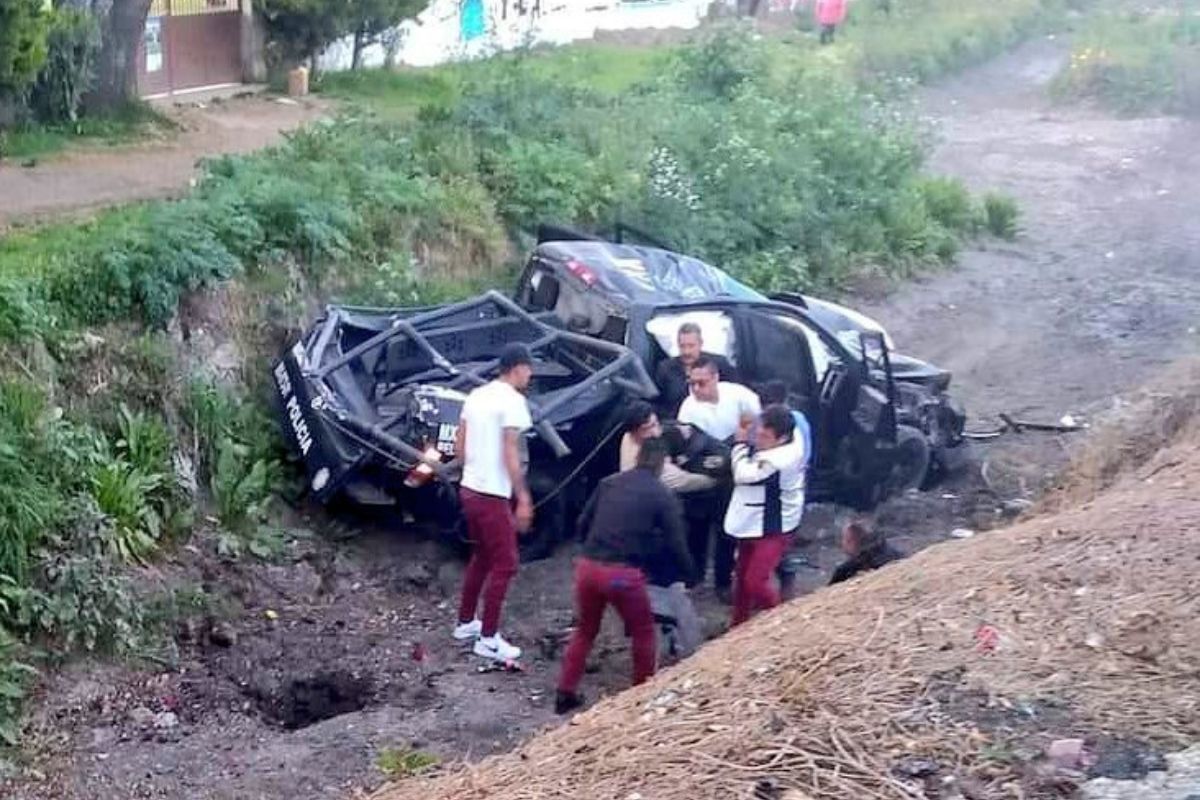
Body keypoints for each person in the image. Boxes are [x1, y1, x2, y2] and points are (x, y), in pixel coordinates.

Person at [555, 438, 694, 715]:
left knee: (585, 630)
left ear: (639, 456)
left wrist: (589, 550)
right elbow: (676, 541)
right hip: (621, 575)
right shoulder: (661, 494)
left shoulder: (609, 482)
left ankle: (564, 693)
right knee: (643, 632)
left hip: (587, 567)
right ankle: (639, 698)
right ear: (662, 462)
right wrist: (689, 573)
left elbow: (583, 523)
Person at [452, 343, 535, 662]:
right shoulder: (514, 403)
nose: (531, 374)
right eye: (529, 368)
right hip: (491, 494)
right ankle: (488, 638)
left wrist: (472, 469)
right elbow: (510, 452)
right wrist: (523, 496)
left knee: (482, 556)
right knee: (507, 563)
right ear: (517, 368)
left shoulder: (475, 396)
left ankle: (465, 622)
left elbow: (459, 448)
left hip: (469, 488)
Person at [678, 356, 761, 598]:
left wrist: (744, 437)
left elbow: (757, 419)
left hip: (731, 475)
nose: (695, 389)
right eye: (691, 383)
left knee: (727, 531)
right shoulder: (689, 407)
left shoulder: (738, 395)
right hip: (702, 474)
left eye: (701, 383)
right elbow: (689, 445)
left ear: (716, 378)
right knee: (697, 530)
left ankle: (723, 583)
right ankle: (695, 578)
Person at [724, 405, 806, 626]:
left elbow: (743, 474)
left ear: (782, 439)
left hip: (773, 526)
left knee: (755, 581)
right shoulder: (789, 434)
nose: (758, 437)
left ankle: (780, 622)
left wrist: (740, 444)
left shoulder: (781, 458)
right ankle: (738, 625)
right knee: (741, 577)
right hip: (751, 519)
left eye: (765, 436)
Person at [619, 402, 717, 495]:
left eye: (655, 423)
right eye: (647, 429)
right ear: (633, 432)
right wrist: (718, 480)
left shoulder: (631, 435)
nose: (656, 432)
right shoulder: (661, 473)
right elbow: (695, 482)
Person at [655, 322, 738, 416]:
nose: (687, 351)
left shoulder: (719, 364)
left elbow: (734, 393)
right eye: (682, 346)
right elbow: (658, 403)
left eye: (691, 346)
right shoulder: (665, 368)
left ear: (700, 344)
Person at [829, 521, 903, 585]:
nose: (842, 544)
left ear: (852, 541)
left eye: (844, 540)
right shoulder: (896, 555)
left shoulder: (846, 571)